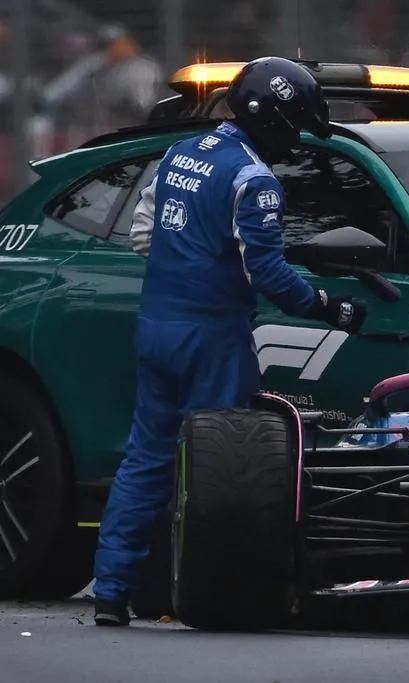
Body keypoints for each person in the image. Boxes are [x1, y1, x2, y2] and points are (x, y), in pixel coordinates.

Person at [92, 56, 367, 626]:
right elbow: (267, 274)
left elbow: (146, 234)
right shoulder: (254, 179)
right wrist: (329, 307)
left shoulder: (181, 153)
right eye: (294, 126)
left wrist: (187, 269)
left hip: (158, 324)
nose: (293, 141)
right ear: (273, 119)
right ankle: (203, 593)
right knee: (218, 477)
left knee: (146, 460)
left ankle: (113, 592)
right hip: (213, 338)